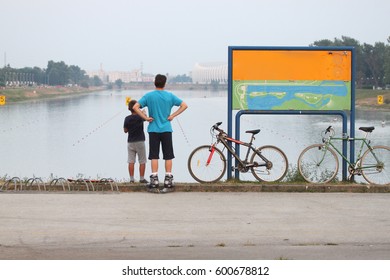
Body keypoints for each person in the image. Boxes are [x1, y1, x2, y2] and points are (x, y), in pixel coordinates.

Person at [133, 74, 188, 192]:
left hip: (153, 129)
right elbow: (184, 105)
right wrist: (172, 115)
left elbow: (135, 107)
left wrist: (145, 118)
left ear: (154, 83)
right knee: (168, 155)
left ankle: (154, 180)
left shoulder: (149, 96)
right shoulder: (170, 96)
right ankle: (168, 180)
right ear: (165, 83)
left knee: (154, 155)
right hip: (167, 129)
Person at [123, 99, 148, 183]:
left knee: (131, 161)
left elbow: (125, 130)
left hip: (130, 142)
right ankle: (141, 178)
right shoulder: (140, 117)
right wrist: (144, 113)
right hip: (140, 141)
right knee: (142, 161)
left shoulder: (127, 118)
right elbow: (146, 118)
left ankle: (131, 179)